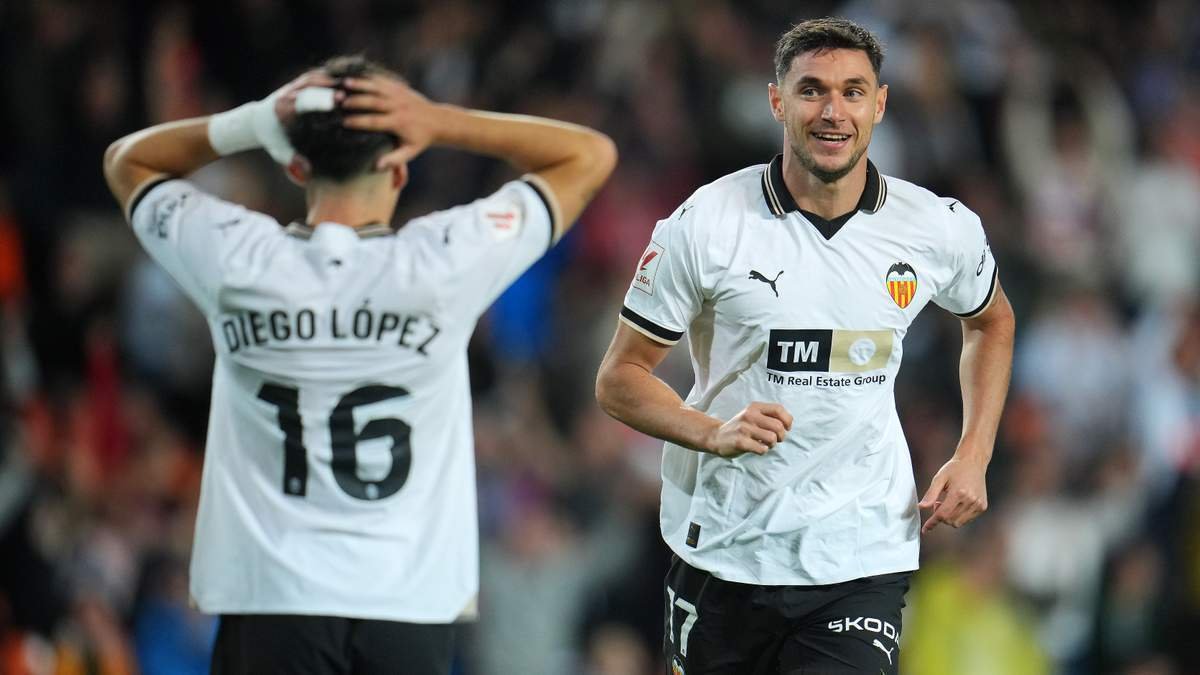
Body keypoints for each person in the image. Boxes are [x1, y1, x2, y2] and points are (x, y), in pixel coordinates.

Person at [103, 55, 616, 675]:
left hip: (272, 602)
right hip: (406, 606)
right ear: (400, 166)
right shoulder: (444, 262)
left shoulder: (239, 260)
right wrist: (439, 121)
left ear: (295, 166)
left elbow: (127, 163)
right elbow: (589, 155)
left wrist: (254, 121)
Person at [595, 17, 1014, 675]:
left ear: (879, 104)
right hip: (726, 545)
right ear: (777, 101)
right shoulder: (705, 225)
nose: (832, 111)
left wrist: (974, 453)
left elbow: (991, 321)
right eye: (812, 90)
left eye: (853, 92)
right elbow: (620, 378)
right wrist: (711, 431)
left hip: (860, 551)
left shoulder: (935, 227)